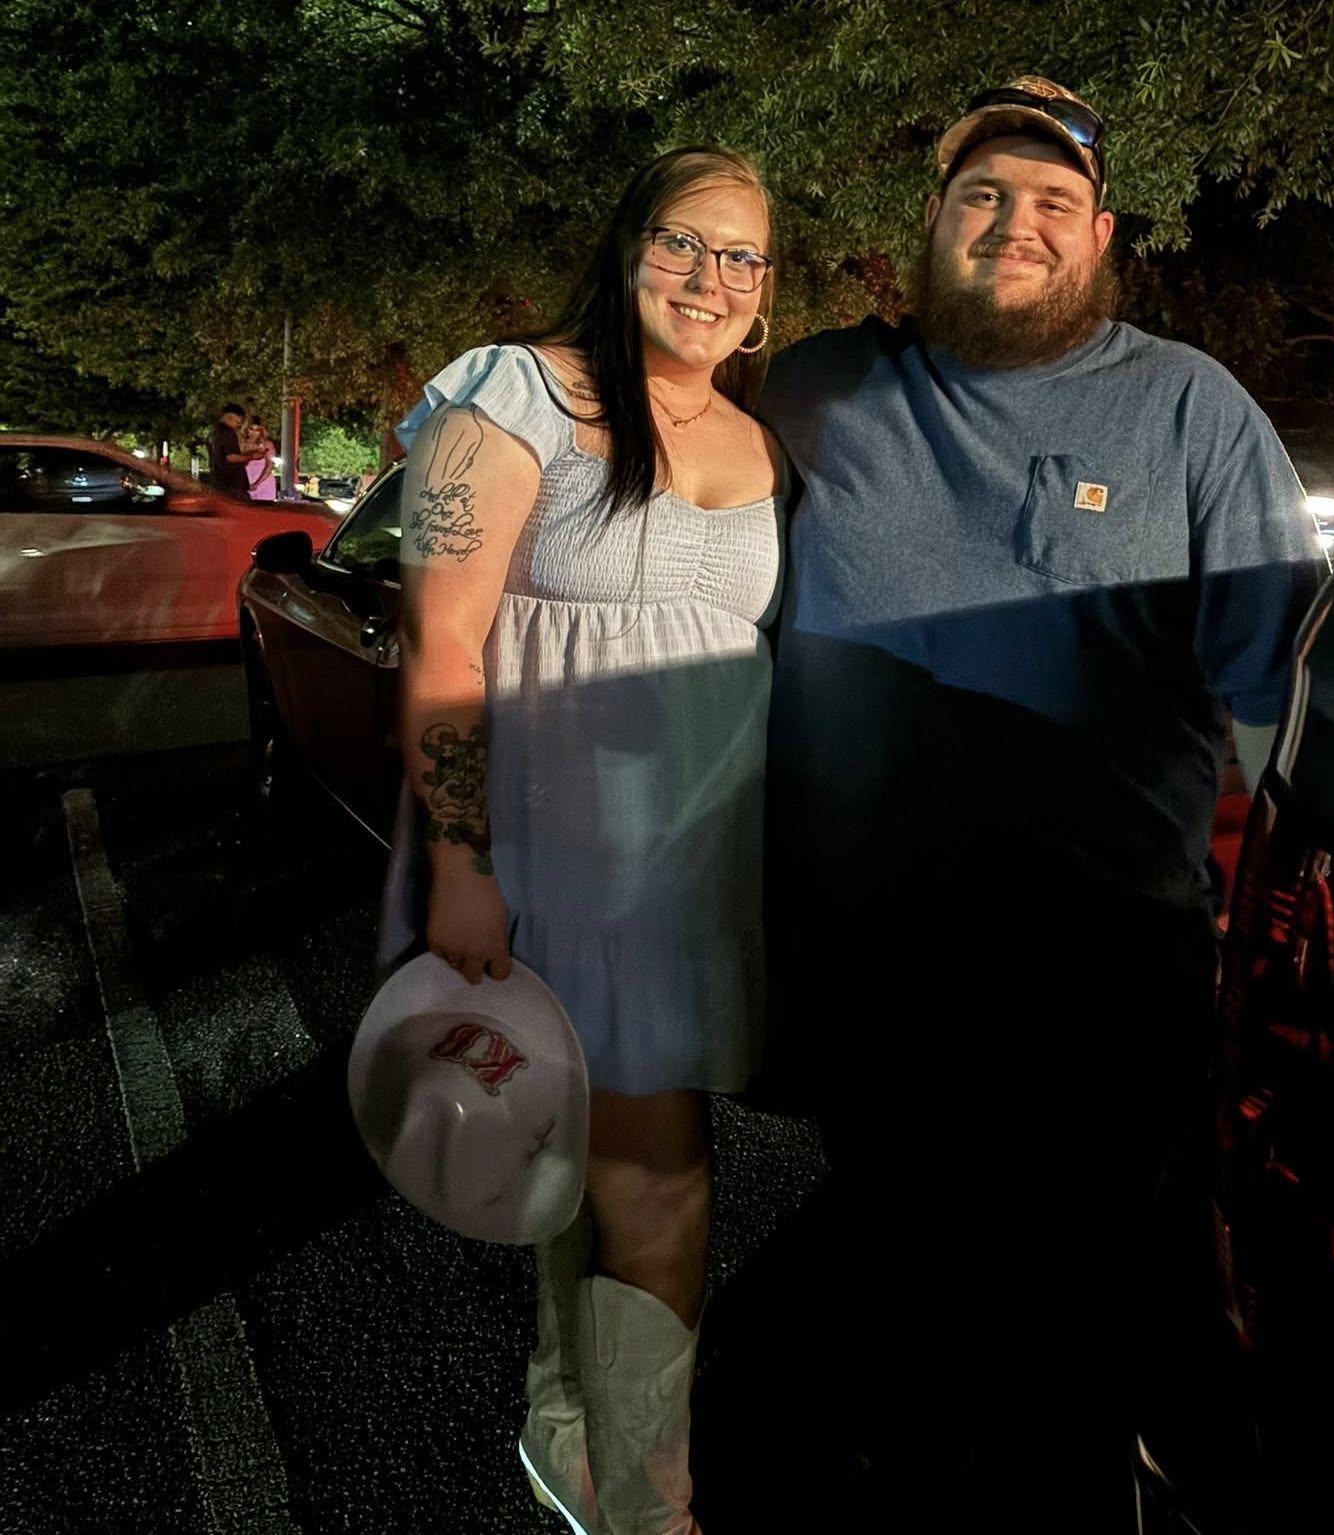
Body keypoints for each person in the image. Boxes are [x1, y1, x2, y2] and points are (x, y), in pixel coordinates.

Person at [756, 76, 1324, 1524]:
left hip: (1107, 978)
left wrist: (1282, 953)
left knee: (1078, 1351)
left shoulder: (1190, 407)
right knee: (898, 1317)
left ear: (1104, 234)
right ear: (934, 221)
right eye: (984, 196)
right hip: (870, 965)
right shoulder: (814, 392)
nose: (1016, 223)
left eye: (1053, 201)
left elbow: (1282, 703)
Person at [384, 146, 782, 1535]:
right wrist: (463, 866)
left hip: (694, 873)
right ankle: (650, 1511)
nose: (712, 277)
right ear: (628, 247)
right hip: (559, 866)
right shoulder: (518, 393)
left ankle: (569, 1439)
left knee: (588, 1165)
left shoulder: (760, 438)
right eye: (685, 242)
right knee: (659, 1188)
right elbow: (443, 644)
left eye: (743, 256)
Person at [209, 403, 260, 499]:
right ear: (230, 416)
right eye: (238, 421)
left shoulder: (216, 432)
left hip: (220, 481)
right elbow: (231, 457)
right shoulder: (228, 432)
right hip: (231, 483)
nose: (239, 425)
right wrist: (252, 456)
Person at [242, 416, 277, 501]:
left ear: (261, 431)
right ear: (246, 429)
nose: (254, 432)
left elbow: (269, 466)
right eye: (251, 429)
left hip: (264, 485)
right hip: (244, 486)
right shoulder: (241, 444)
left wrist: (257, 483)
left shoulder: (267, 445)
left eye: (257, 430)